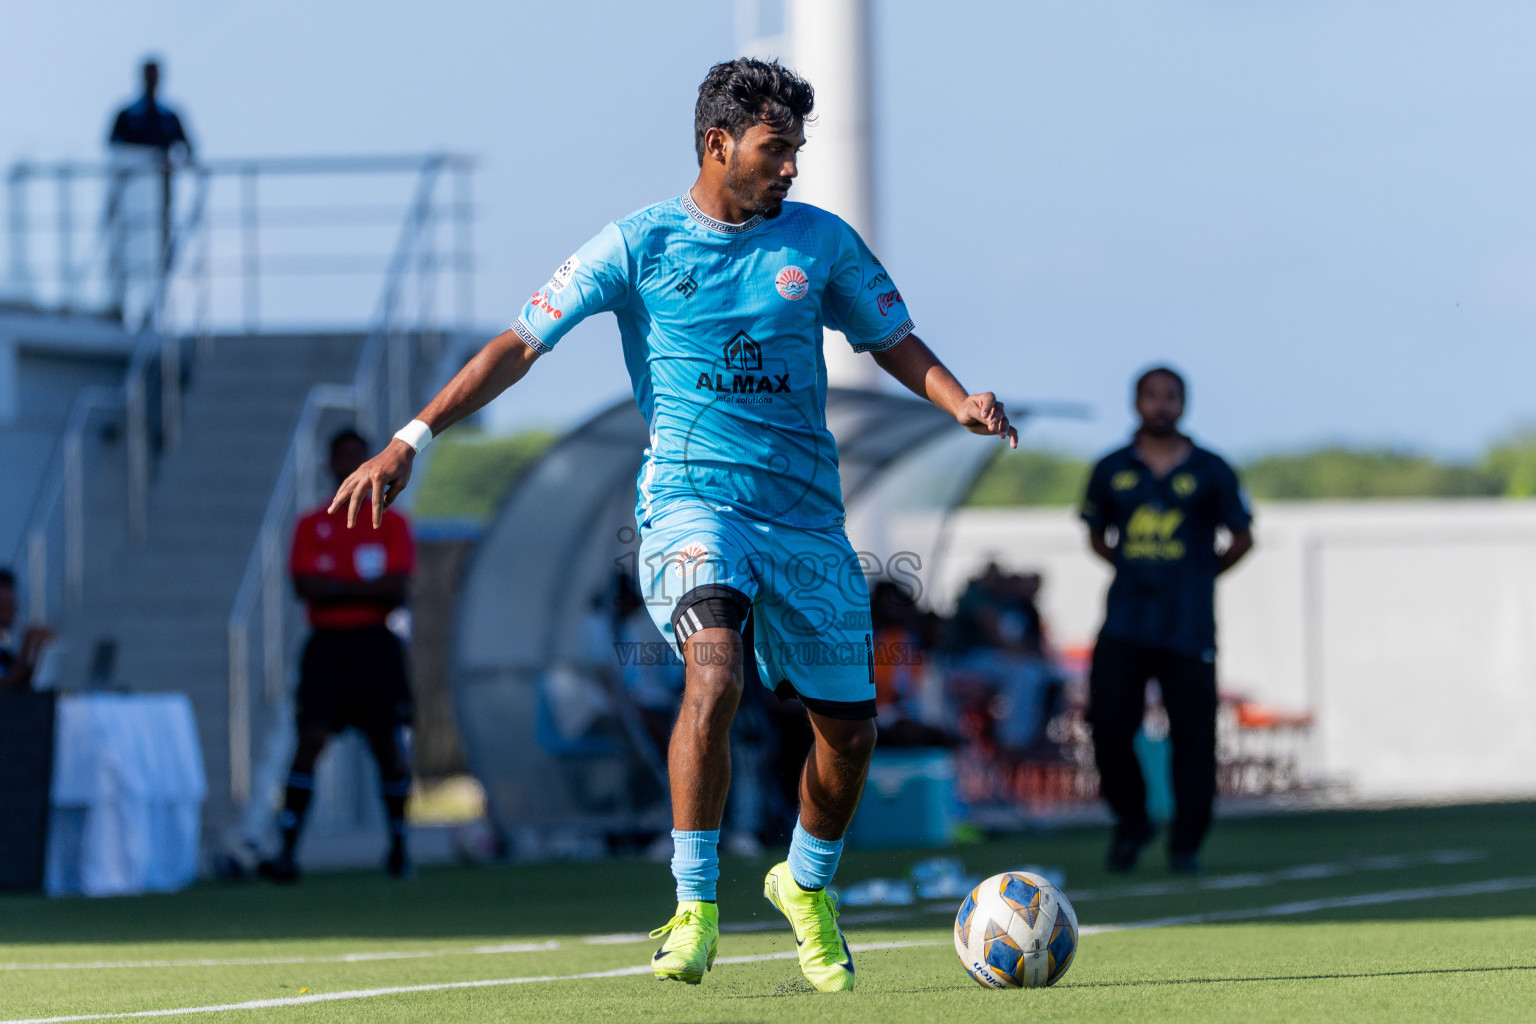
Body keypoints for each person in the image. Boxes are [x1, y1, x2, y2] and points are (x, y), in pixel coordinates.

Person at [328, 58, 1017, 992]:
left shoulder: (822, 243)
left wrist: (954, 400)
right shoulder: (638, 244)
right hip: (691, 506)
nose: (792, 169)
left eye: (799, 152)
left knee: (850, 735)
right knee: (715, 665)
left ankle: (803, 883)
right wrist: (415, 435)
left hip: (807, 521)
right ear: (717, 145)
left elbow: (890, 336)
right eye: (777, 150)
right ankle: (694, 904)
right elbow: (517, 344)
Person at [1080, 367, 1254, 874]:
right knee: (1108, 726)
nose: (1161, 405)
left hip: (1188, 626)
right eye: (1152, 396)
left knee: (1194, 739)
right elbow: (1095, 533)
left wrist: (1199, 575)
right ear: (1137, 402)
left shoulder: (1212, 469)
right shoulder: (1111, 468)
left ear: (1184, 403)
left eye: (1170, 397)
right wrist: (1132, 570)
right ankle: (1132, 820)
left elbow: (1242, 537)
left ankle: (1187, 844)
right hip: (1125, 623)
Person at [258, 429, 416, 882]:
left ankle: (400, 849)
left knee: (387, 744)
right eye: (341, 457)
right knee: (311, 739)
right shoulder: (312, 524)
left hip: (375, 646)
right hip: (327, 647)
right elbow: (304, 588)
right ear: (329, 464)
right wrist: (360, 590)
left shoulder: (391, 522)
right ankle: (287, 851)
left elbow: (396, 590)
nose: (349, 465)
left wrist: (337, 588)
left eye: (357, 457)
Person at [0, 569, 54, 691]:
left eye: (10, 604)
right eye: (3, 605)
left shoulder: (5, 655)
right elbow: (6, 685)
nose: (10, 611)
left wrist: (40, 655)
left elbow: (21, 683)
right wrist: (26, 650)